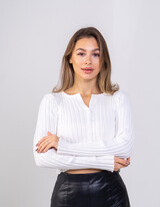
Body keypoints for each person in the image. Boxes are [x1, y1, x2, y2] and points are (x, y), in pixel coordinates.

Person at [33, 26, 135, 207]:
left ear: (103, 60)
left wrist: (63, 146)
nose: (88, 61)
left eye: (95, 54)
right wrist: (105, 161)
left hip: (111, 192)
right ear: (70, 58)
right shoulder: (52, 101)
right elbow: (42, 158)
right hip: (68, 193)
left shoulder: (118, 99)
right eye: (81, 54)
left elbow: (124, 148)